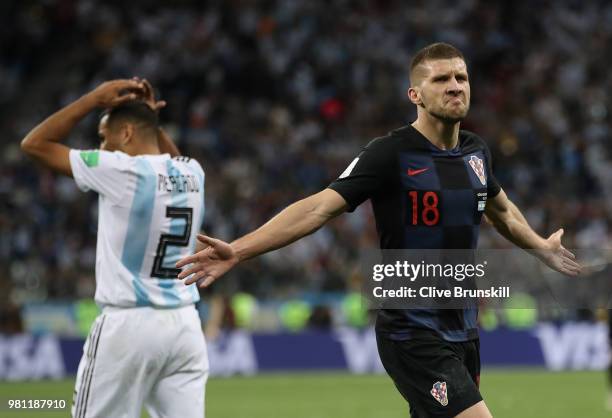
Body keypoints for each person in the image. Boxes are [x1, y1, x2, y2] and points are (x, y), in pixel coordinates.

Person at [176, 43, 580, 418]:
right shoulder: (390, 153)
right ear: (416, 95)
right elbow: (318, 207)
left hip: (464, 330)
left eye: (461, 77)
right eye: (441, 79)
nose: (455, 86)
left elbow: (503, 213)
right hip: (412, 330)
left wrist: (541, 247)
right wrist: (240, 250)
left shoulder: (476, 152)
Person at [21, 79, 208, 418]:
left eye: (105, 138)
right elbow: (171, 160)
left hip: (129, 326)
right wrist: (151, 119)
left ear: (125, 135)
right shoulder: (193, 172)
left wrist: (93, 100)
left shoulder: (120, 170)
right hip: (185, 327)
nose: (102, 148)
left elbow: (35, 144)